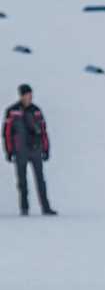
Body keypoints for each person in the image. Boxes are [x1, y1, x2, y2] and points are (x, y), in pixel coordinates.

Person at [4, 84, 56, 216]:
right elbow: (7, 133)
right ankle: (24, 208)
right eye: (27, 94)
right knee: (22, 181)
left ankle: (46, 207)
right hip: (20, 151)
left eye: (31, 94)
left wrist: (46, 148)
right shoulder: (12, 111)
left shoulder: (36, 110)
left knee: (40, 180)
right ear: (21, 95)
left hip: (36, 149)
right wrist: (9, 151)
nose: (30, 97)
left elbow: (43, 130)